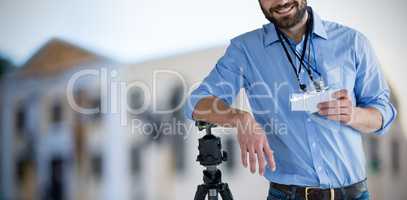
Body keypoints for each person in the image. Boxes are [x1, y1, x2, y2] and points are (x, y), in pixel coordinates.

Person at [183, 0, 397, 199]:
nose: (280, 1)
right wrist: (240, 118)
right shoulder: (244, 50)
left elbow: (383, 114)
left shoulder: (353, 42)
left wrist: (354, 114)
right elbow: (196, 103)